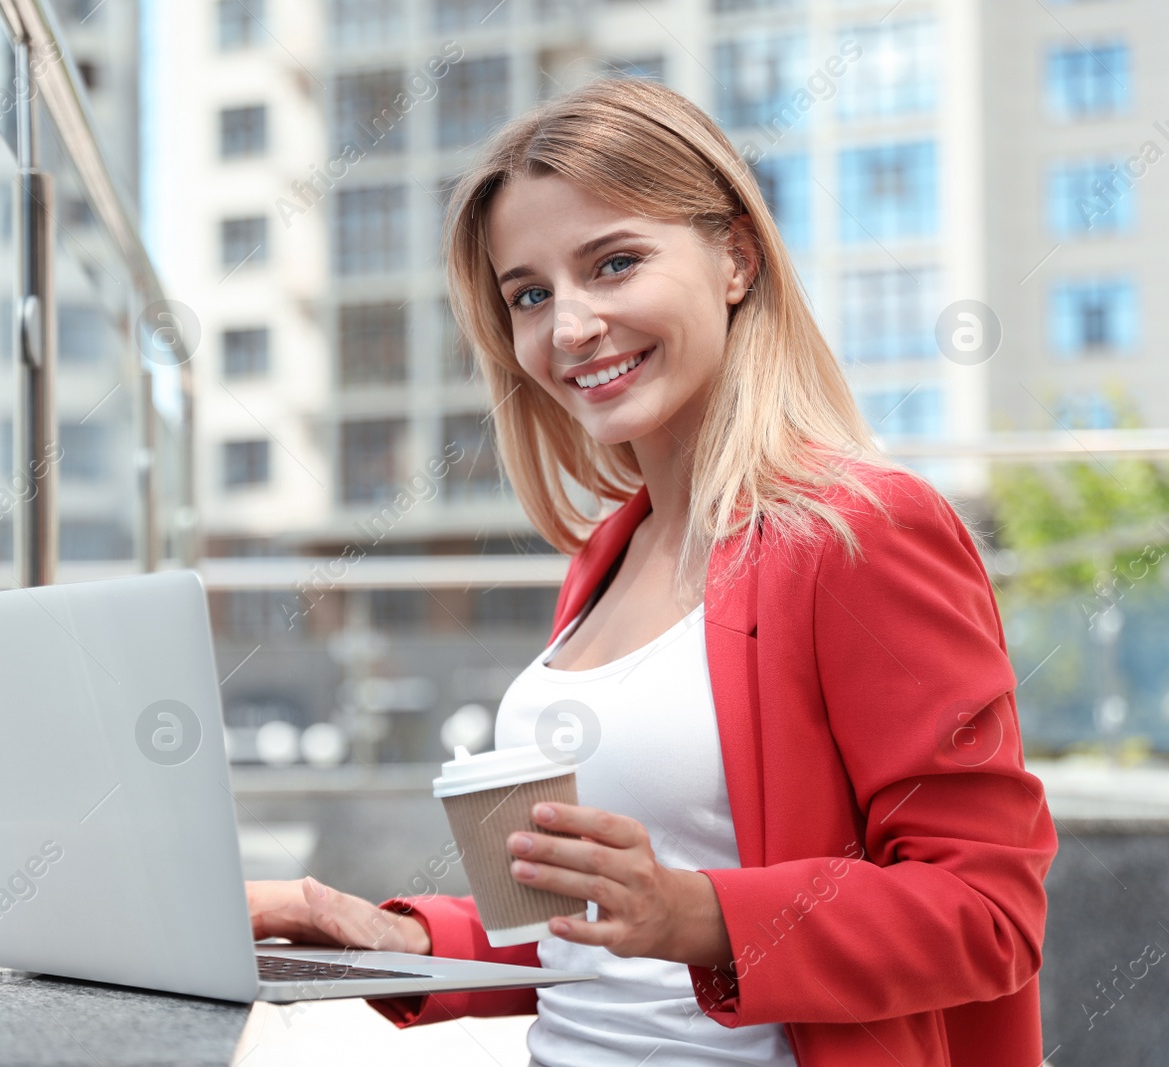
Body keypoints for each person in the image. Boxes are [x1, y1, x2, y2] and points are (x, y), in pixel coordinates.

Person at [246, 76, 1057, 1066]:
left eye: (615, 263)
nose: (570, 326)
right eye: (530, 294)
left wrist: (694, 913)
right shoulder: (605, 555)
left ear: (734, 258)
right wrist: (398, 937)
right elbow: (585, 933)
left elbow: (987, 909)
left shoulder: (860, 531)